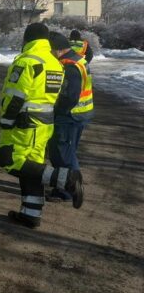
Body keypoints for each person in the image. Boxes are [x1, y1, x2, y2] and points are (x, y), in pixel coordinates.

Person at [0, 23, 83, 229]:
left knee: (9, 160)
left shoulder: (27, 61)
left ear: (27, 39)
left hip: (24, 125)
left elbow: (15, 96)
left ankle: (67, 179)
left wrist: (6, 121)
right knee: (32, 168)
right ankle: (31, 214)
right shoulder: (55, 63)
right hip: (44, 125)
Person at [46, 31, 94, 202]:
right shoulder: (79, 59)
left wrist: (56, 109)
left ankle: (68, 189)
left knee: (63, 153)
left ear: (57, 50)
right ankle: (66, 186)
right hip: (81, 114)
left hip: (69, 116)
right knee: (69, 150)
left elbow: (70, 96)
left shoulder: (68, 65)